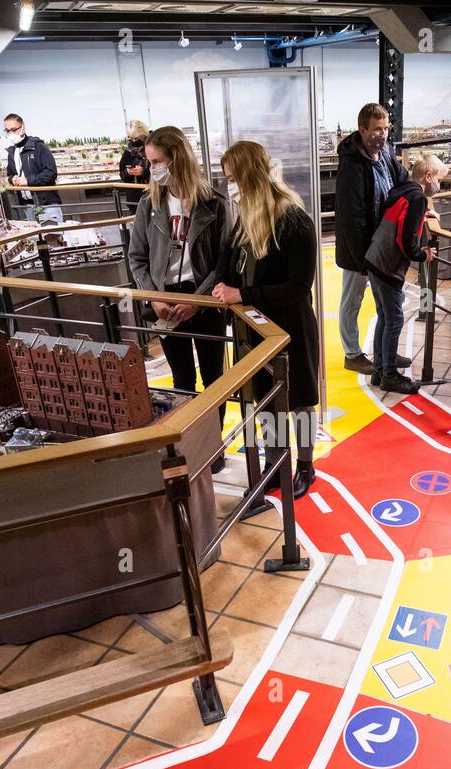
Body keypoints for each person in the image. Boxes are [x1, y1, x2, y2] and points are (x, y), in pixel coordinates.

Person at [212, 140, 320, 499]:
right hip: (253, 332)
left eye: (233, 179)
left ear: (249, 176)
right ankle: (277, 465)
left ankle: (305, 465)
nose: (229, 186)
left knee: (300, 400)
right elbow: (227, 269)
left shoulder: (293, 219)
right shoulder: (241, 220)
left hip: (290, 330)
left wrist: (243, 294)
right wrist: (222, 287)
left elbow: (298, 286)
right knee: (266, 402)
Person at [127, 125, 232, 473]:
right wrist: (154, 297)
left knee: (215, 379)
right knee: (182, 380)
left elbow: (223, 263)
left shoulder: (213, 204)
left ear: (177, 158)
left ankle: (213, 447)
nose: (152, 167)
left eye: (157, 161)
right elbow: (137, 257)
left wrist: (199, 300)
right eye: (150, 161)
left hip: (204, 301)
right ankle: (191, 446)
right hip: (165, 301)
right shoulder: (149, 204)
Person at [334, 103, 409, 376]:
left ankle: (384, 352)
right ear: (362, 129)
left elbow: (402, 181)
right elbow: (351, 219)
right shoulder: (352, 165)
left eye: (386, 128)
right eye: (377, 129)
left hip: (384, 246)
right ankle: (352, 354)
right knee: (352, 301)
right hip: (360, 250)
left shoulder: (387, 153)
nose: (383, 134)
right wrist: (363, 260)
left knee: (386, 302)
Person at [364, 154, 445, 395]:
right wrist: (423, 255)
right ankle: (389, 375)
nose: (439, 186)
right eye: (439, 179)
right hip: (388, 265)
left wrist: (422, 215)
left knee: (385, 317)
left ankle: (379, 371)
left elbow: (401, 218)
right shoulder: (418, 197)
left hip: (375, 258)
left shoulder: (403, 190)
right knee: (394, 319)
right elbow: (405, 240)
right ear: (428, 176)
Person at [2, 113, 62, 224]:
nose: (10, 134)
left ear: (23, 128)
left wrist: (28, 180)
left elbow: (51, 173)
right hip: (27, 205)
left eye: (14, 129)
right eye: (7, 131)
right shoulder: (11, 152)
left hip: (47, 203)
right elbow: (10, 174)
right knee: (37, 237)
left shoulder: (39, 147)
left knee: (53, 236)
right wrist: (12, 179)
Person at [120, 120, 150, 185]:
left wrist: (144, 172)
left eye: (136, 138)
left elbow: (161, 172)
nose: (133, 141)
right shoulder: (127, 152)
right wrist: (128, 172)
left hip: (152, 191)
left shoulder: (152, 148)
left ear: (144, 135)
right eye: (131, 138)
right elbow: (122, 176)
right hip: (134, 193)